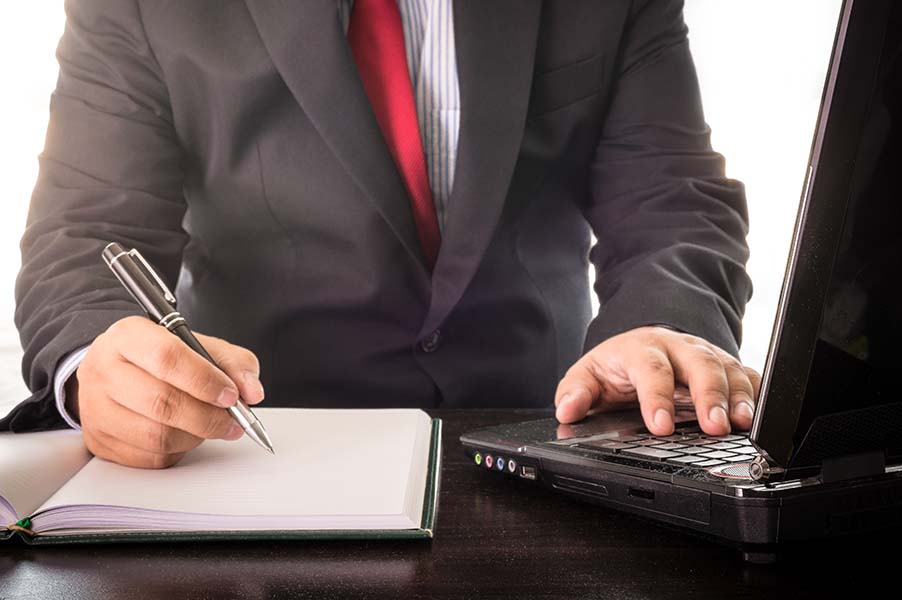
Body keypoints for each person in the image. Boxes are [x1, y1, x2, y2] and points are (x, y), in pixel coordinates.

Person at [3, 0, 759, 469]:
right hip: (251, 452)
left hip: (543, 437)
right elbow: (86, 229)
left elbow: (672, 198)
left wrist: (660, 330)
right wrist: (99, 363)